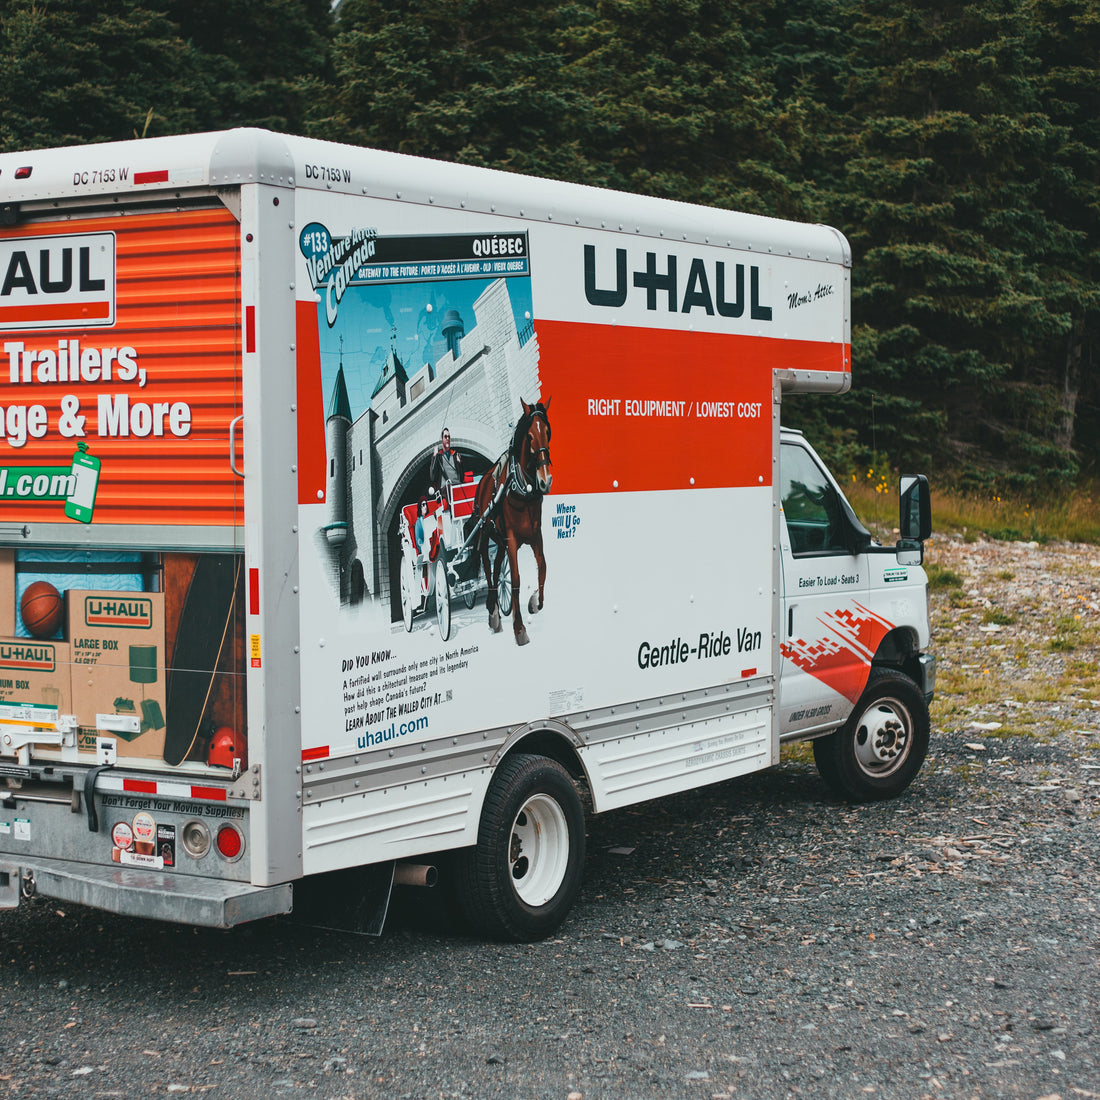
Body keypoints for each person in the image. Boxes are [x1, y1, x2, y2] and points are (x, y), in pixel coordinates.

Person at [430, 427, 463, 497]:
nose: (447, 439)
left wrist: (459, 463)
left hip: (457, 486)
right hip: (445, 489)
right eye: (445, 437)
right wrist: (434, 456)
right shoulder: (439, 456)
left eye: (449, 437)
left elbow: (461, 477)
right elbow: (432, 477)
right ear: (442, 440)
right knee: (449, 490)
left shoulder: (455, 455)